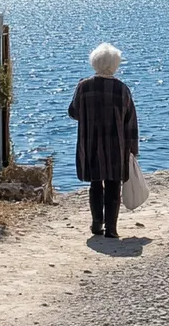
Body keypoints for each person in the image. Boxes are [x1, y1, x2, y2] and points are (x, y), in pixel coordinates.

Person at [67, 43, 139, 238]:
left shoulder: (84, 86)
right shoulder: (121, 89)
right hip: (116, 146)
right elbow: (130, 120)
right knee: (114, 184)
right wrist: (133, 148)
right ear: (115, 64)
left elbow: (73, 112)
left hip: (90, 142)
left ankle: (96, 224)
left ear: (95, 62)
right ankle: (112, 229)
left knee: (96, 183)